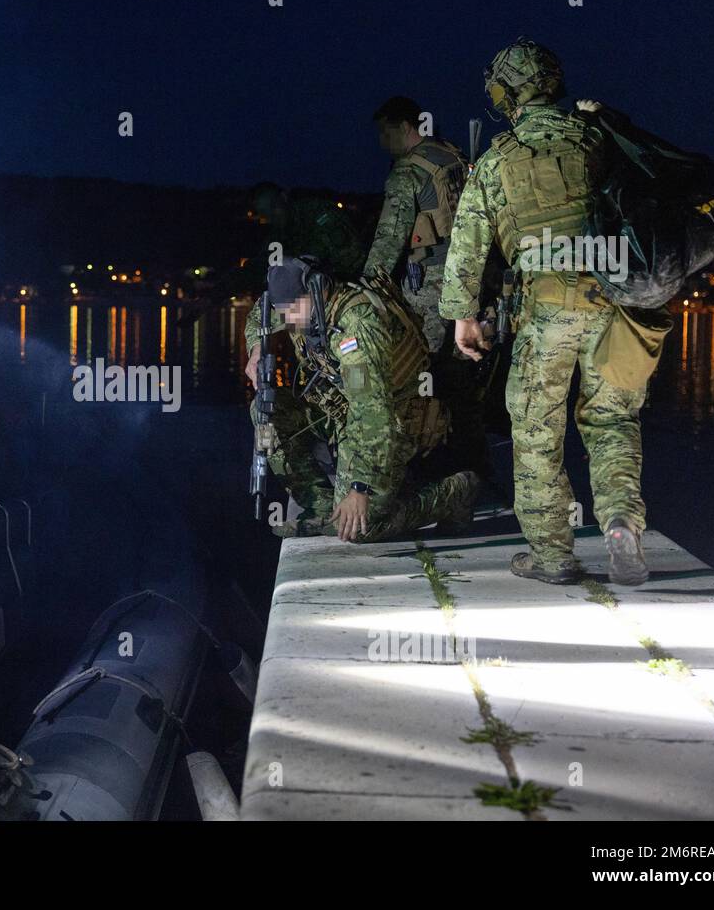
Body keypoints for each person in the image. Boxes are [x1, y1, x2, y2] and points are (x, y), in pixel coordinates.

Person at [439, 37, 650, 586]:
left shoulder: (495, 162)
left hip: (546, 308)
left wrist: (462, 317)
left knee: (536, 431)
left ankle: (553, 556)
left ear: (505, 94)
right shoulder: (600, 139)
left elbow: (466, 247)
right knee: (611, 421)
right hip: (616, 303)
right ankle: (622, 523)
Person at [244, 259, 478, 541]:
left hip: (392, 420)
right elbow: (262, 312)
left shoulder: (356, 328)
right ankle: (320, 507)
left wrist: (360, 488)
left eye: (294, 311)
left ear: (317, 289)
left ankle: (456, 492)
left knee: (362, 529)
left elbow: (372, 411)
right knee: (265, 411)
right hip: (340, 410)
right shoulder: (299, 303)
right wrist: (257, 350)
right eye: (284, 313)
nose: (289, 321)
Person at [362, 96, 488, 478]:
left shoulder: (408, 170)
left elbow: (389, 238)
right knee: (464, 377)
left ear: (403, 128)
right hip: (472, 280)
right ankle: (474, 463)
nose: (382, 143)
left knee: (423, 373)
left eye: (385, 133)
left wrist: (366, 291)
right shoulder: (451, 156)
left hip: (430, 285)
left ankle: (433, 468)